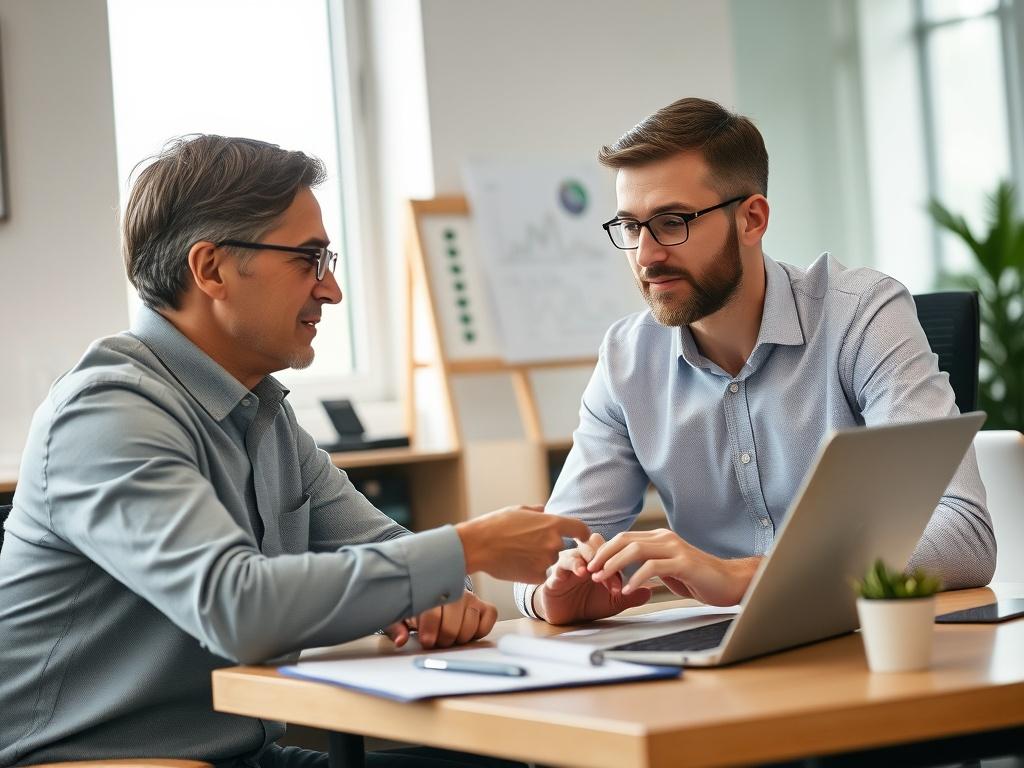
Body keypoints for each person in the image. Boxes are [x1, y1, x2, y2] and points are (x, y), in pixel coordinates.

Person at [0, 135, 588, 768]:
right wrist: (467, 547)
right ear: (211, 269)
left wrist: (438, 588)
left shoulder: (264, 413)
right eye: (308, 260)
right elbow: (239, 608)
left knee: (523, 762)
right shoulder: (106, 412)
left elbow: (402, 563)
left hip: (246, 755)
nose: (331, 290)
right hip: (87, 760)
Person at [514, 97, 995, 627]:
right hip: (727, 663)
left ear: (752, 218)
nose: (647, 255)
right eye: (630, 227)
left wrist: (750, 576)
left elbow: (964, 534)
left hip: (870, 642)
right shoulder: (627, 361)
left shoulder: (861, 315)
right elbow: (551, 551)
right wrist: (549, 596)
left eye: (672, 222)